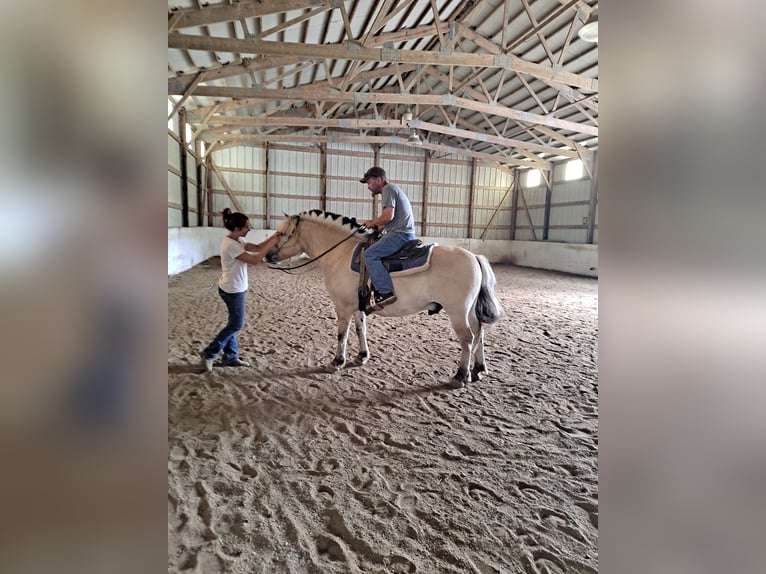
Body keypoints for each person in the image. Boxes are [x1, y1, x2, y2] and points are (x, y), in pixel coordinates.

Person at [200, 208, 279, 372]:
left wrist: (274, 237)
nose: (249, 229)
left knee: (233, 323)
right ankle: (209, 353)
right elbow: (255, 259)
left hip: (235, 288)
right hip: (232, 290)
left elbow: (257, 247)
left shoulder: (237, 240)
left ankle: (230, 356)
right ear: (237, 229)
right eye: (246, 227)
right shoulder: (231, 245)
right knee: (236, 324)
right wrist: (271, 244)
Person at [359, 166, 416, 309]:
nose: (368, 187)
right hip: (402, 232)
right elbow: (389, 220)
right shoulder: (393, 189)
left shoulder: (388, 189)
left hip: (399, 234)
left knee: (369, 255)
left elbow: (388, 216)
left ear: (378, 180)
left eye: (369, 182)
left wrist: (372, 222)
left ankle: (385, 292)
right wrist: (377, 226)